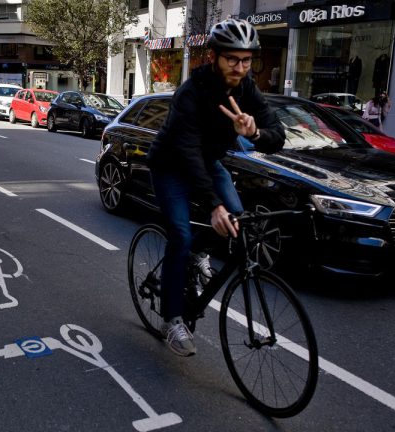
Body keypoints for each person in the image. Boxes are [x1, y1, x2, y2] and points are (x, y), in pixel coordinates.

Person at [147, 18, 286, 357]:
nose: (240, 68)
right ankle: (171, 318)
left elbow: (277, 136)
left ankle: (196, 254)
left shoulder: (247, 90)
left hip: (208, 163)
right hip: (171, 165)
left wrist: (254, 133)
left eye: (247, 60)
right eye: (232, 59)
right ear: (214, 56)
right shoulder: (191, 93)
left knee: (236, 219)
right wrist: (213, 205)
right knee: (179, 234)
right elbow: (189, 152)